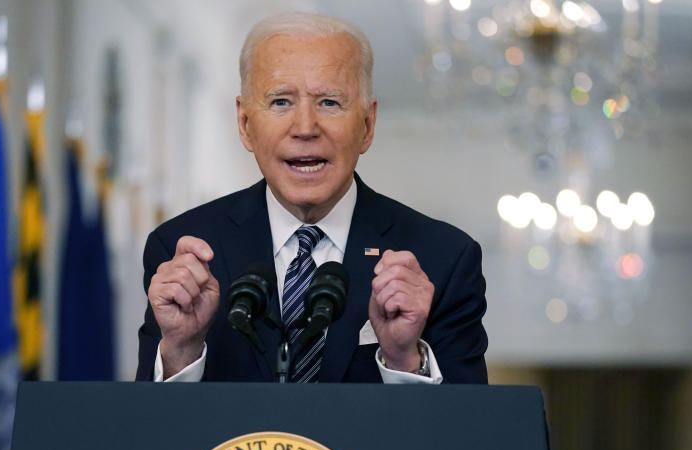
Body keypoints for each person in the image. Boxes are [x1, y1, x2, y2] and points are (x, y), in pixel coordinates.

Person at [136, 13, 488, 384]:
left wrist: (404, 360)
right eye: (281, 102)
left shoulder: (444, 259)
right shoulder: (181, 252)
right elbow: (147, 433)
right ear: (245, 124)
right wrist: (180, 352)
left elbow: (469, 435)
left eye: (329, 103)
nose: (305, 128)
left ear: (367, 126)